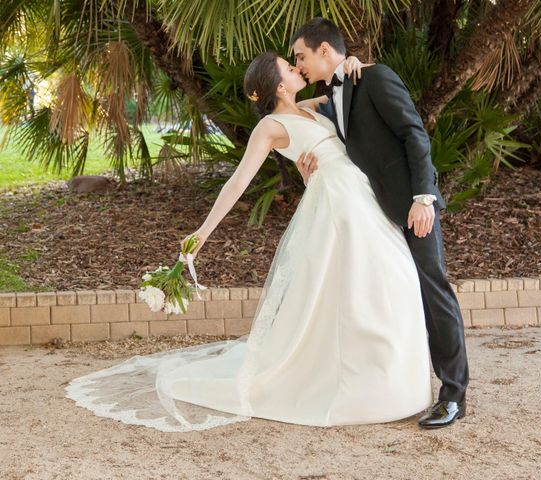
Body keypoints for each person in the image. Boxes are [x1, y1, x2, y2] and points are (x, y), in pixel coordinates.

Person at [64, 53, 432, 432]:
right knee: (355, 288)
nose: (297, 68)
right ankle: (357, 385)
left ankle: (391, 380)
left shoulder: (311, 106)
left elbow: (344, 94)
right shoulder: (270, 127)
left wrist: (354, 62)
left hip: (358, 197)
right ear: (278, 85)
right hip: (338, 206)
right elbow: (237, 181)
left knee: (390, 278)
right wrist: (202, 232)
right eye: (290, 68)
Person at [291, 17, 469, 429]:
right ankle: (399, 387)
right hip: (372, 216)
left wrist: (423, 198)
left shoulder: (375, 78)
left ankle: (454, 396)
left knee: (433, 291)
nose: (297, 64)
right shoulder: (335, 92)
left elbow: (414, 133)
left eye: (300, 56)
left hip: (411, 208)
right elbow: (288, 111)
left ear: (323, 49)